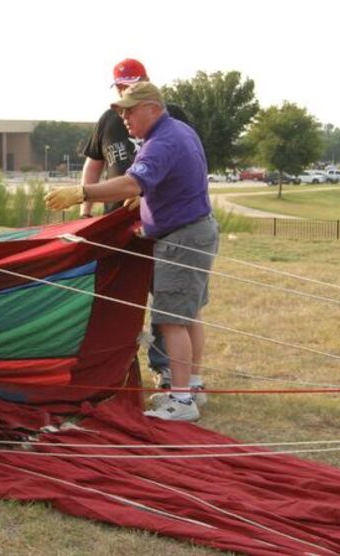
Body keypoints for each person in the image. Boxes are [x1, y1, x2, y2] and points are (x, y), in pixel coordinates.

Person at [45, 82, 219, 422]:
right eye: (121, 111)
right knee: (188, 313)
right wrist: (146, 198)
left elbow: (130, 182)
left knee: (172, 320)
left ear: (153, 108)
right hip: (193, 231)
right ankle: (192, 386)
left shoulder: (162, 141)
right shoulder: (179, 131)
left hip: (182, 237)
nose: (124, 117)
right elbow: (177, 176)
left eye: (130, 110)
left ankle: (181, 401)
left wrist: (82, 193)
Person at [79, 58, 193, 392]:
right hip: (117, 223)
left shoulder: (172, 118)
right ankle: (111, 367)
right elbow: (93, 166)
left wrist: (144, 197)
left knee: (167, 298)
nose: (125, 93)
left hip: (162, 222)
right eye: (120, 86)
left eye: (133, 84)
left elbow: (184, 164)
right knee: (115, 296)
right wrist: (86, 212)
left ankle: (166, 369)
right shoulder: (108, 120)